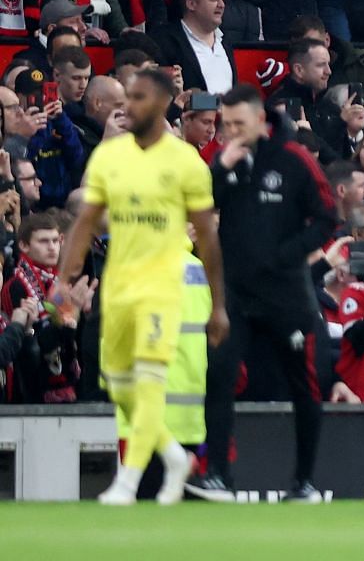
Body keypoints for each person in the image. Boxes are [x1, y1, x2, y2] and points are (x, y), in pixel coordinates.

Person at [52, 66, 225, 505]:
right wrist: (62, 279)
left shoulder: (185, 160)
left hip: (161, 283)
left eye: (142, 97)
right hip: (119, 283)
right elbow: (88, 220)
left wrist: (219, 303)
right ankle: (171, 455)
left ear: (165, 104)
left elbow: (206, 234)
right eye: (130, 96)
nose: (132, 105)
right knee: (118, 382)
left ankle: (127, 482)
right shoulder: (111, 157)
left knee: (146, 379)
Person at [190, 85, 333, 502]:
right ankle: (218, 474)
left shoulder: (294, 158)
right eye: (224, 124)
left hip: (287, 296)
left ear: (258, 119)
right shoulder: (226, 158)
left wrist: (287, 255)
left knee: (303, 386)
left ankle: (304, 482)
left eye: (237, 124)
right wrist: (222, 169)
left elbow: (326, 217)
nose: (229, 131)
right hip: (235, 296)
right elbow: (203, 207)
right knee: (218, 377)